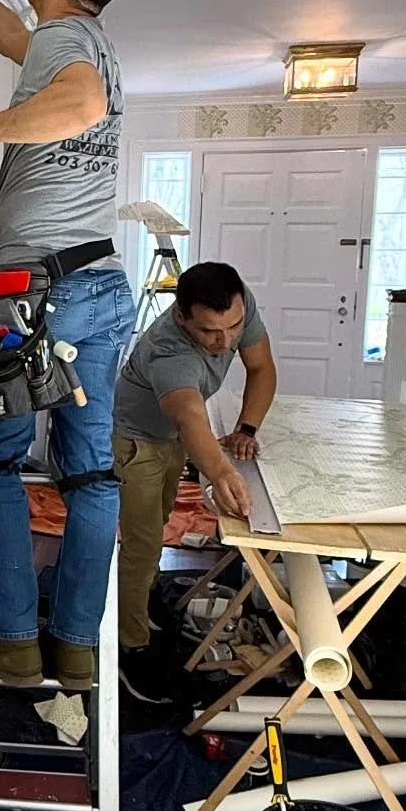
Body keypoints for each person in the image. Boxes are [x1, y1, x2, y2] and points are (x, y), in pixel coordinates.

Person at [0, 0, 134, 692]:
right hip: (98, 286)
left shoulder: (71, 55)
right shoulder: (84, 45)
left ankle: (15, 640)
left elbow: (80, 105)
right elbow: (13, 39)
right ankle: (76, 646)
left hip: (33, 295)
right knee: (89, 472)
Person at [111, 261, 277, 702]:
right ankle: (131, 651)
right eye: (209, 333)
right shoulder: (171, 354)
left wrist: (247, 430)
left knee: (160, 524)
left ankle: (144, 604)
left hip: (171, 439)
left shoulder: (237, 306)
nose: (224, 343)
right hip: (135, 441)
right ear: (182, 317)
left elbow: (261, 368)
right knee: (142, 544)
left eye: (234, 327)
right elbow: (190, 416)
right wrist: (220, 470)